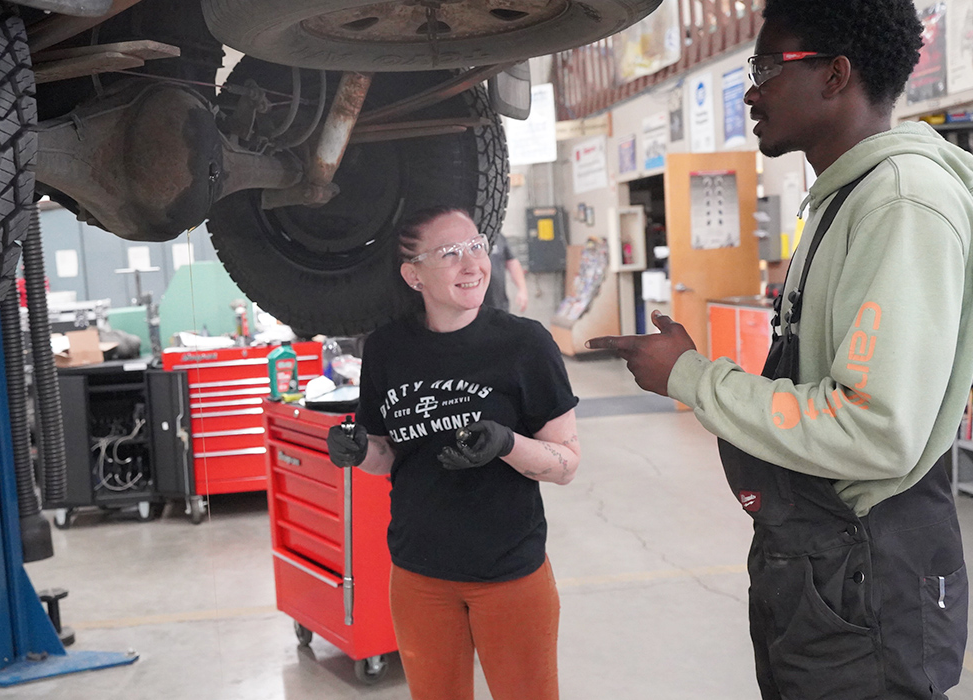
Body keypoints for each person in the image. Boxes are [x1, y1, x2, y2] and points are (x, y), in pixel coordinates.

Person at [588, 1, 973, 697]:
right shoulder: (841, 199)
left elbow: (875, 429)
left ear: (836, 75)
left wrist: (693, 378)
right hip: (818, 565)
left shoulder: (899, 201)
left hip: (866, 579)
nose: (750, 91)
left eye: (767, 67)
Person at [327, 206, 580, 700]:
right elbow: (388, 457)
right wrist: (358, 450)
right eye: (449, 253)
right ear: (412, 274)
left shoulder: (524, 344)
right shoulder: (386, 349)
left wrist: (507, 444)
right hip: (419, 574)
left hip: (508, 572)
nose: (472, 265)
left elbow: (566, 463)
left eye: (476, 247)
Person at [485, 236, 529, 313]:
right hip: (474, 307)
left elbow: (512, 262)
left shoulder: (498, 236)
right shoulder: (469, 236)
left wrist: (522, 289)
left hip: (498, 304)